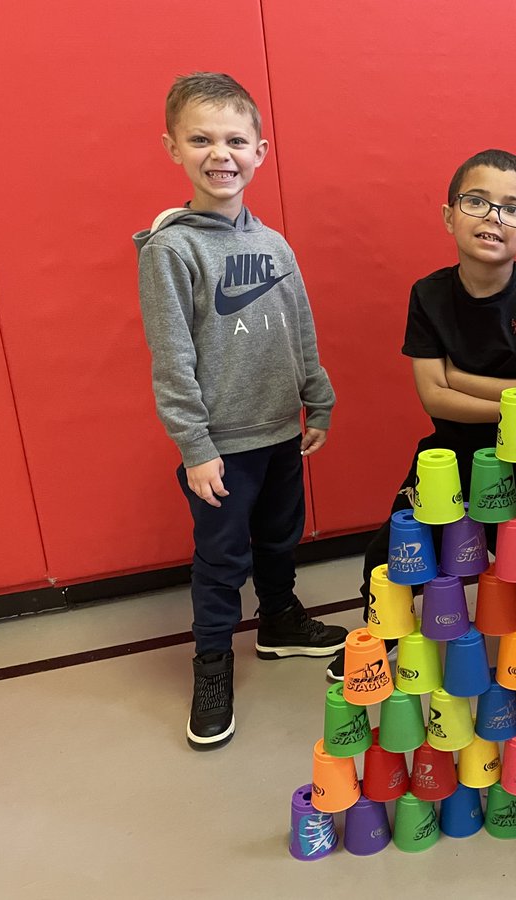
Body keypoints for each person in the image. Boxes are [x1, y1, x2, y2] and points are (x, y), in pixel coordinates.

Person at [135, 73, 344, 750]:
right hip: (222, 444)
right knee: (221, 559)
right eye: (201, 139)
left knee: (281, 539)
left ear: (261, 150)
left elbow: (299, 326)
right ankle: (213, 665)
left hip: (282, 429)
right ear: (173, 147)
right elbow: (171, 360)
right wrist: (195, 447)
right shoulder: (173, 250)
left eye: (234, 139)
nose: (219, 153)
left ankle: (280, 621)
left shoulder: (276, 245)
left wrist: (317, 393)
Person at [328, 149, 516, 681]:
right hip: (449, 453)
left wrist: (461, 378)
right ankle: (382, 636)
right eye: (476, 202)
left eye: (511, 209)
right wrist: (510, 397)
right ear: (449, 214)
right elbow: (434, 398)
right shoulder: (428, 294)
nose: (493, 217)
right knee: (390, 553)